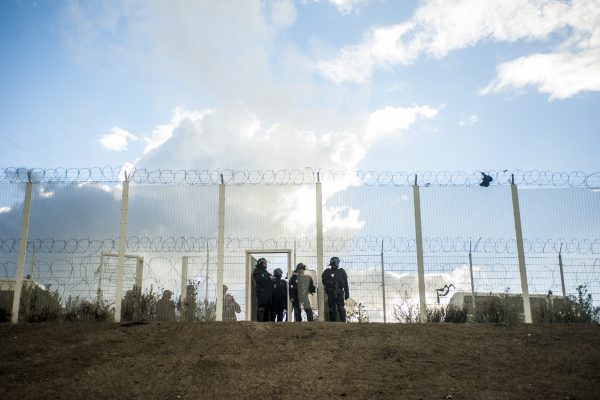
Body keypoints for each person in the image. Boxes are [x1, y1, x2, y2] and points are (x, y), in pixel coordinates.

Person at [321, 256, 349, 322]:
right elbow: (324, 282)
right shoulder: (328, 271)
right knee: (332, 308)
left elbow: (345, 283)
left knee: (340, 308)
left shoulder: (340, 271)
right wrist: (346, 292)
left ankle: (340, 322)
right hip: (332, 292)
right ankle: (336, 323)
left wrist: (347, 292)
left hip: (337, 292)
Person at [252, 257, 274, 322]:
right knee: (262, 307)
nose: (266, 264)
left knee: (268, 308)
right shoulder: (257, 270)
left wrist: (272, 279)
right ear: (261, 263)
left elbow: (268, 280)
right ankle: (260, 323)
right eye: (264, 263)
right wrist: (269, 278)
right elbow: (259, 280)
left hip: (268, 292)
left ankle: (268, 323)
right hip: (261, 292)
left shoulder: (265, 271)